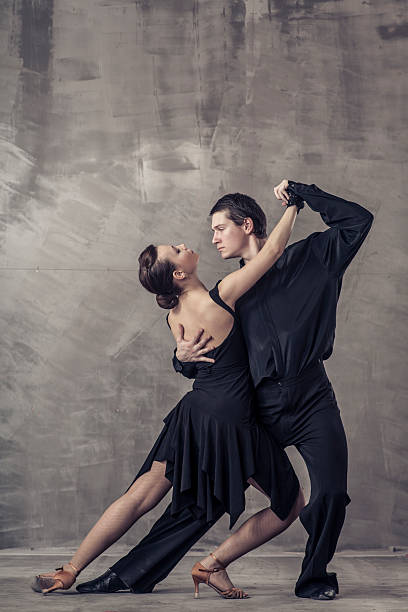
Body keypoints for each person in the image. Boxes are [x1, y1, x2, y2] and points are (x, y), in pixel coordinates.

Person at [76, 179, 373, 601]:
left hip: (312, 401)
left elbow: (360, 220)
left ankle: (314, 579)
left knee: (330, 493)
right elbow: (209, 364)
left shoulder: (315, 257)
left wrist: (305, 194)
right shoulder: (232, 293)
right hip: (258, 411)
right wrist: (181, 358)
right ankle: (129, 575)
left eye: (219, 228)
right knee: (201, 503)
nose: (212, 238)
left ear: (247, 224)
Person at [32, 185, 305, 599]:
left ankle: (69, 569)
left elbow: (189, 363)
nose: (185, 244)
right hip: (230, 420)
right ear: (179, 273)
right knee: (290, 502)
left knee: (142, 493)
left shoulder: (175, 317)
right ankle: (214, 564)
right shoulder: (222, 295)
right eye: (176, 250)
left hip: (193, 413)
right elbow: (270, 254)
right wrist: (294, 207)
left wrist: (180, 358)